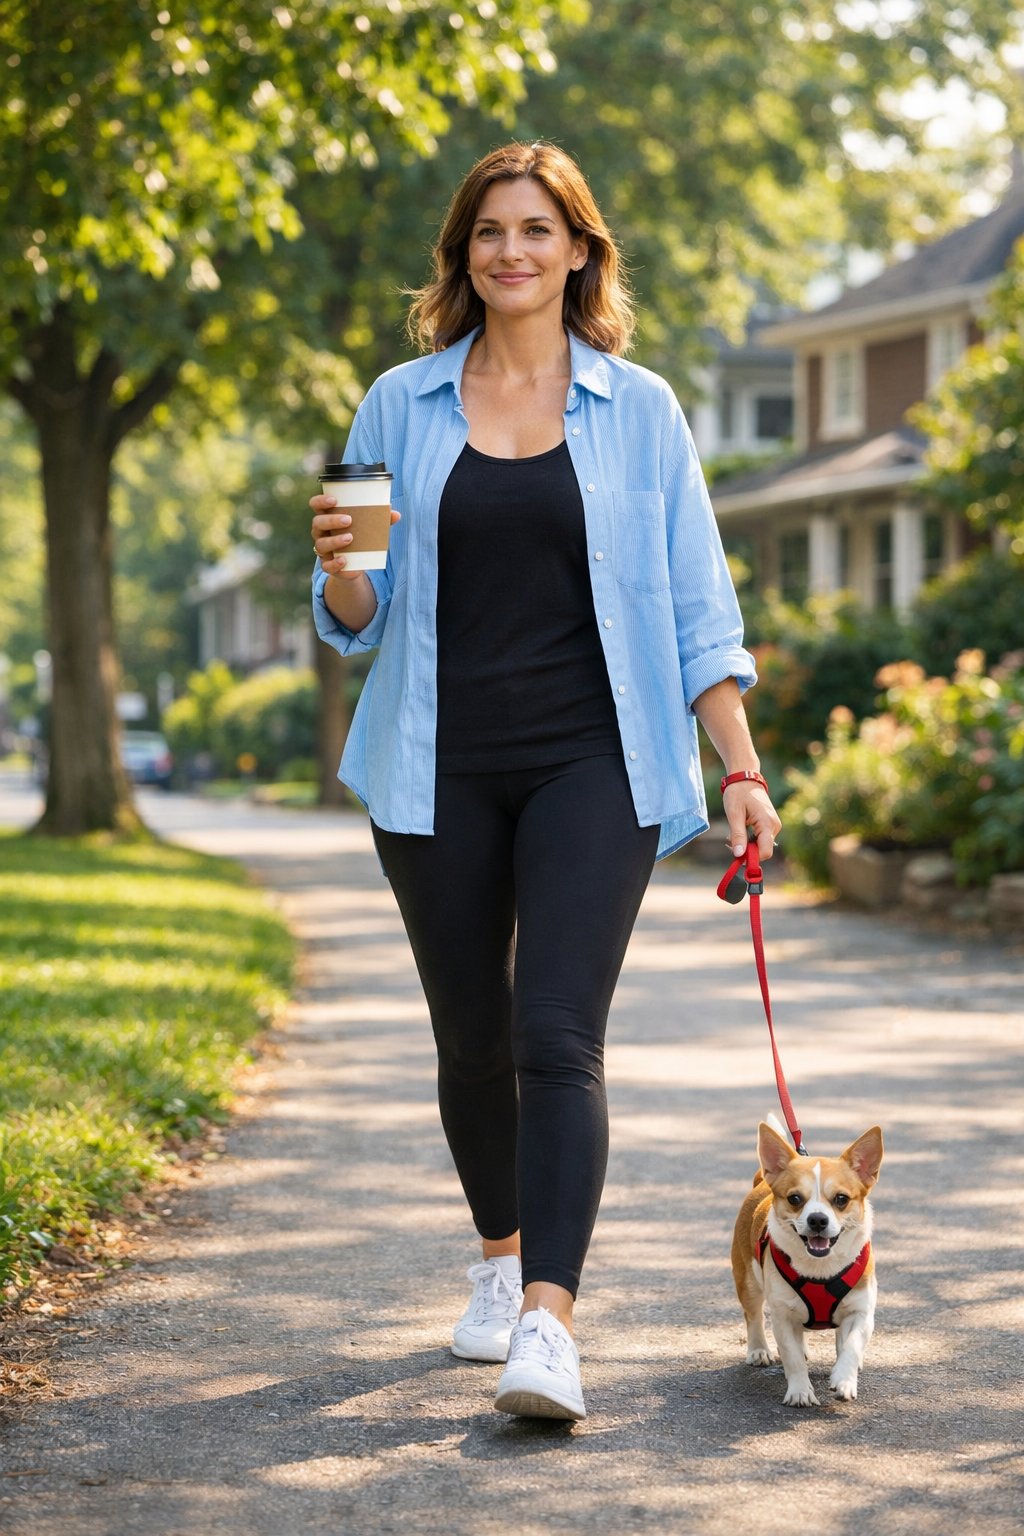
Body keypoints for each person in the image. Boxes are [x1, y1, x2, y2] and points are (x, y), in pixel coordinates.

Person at [309, 141, 781, 1422]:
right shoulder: (396, 406)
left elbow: (698, 608)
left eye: (535, 229)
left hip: (597, 758)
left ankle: (549, 1324)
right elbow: (353, 613)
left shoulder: (643, 410)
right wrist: (344, 568)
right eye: (486, 233)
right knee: (471, 1036)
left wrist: (739, 770)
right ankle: (499, 1257)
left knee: (555, 1034)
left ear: (579, 250)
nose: (510, 251)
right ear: (463, 257)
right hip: (437, 758)